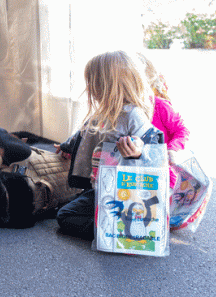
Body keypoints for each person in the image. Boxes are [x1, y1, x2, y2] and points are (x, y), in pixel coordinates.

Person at [56, 50, 156, 240]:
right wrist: (66, 146)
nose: (90, 89)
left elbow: (151, 144)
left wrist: (137, 152)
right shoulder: (102, 113)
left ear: (107, 85)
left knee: (65, 216)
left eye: (93, 83)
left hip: (121, 191)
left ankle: (113, 231)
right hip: (100, 186)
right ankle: (113, 220)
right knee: (65, 205)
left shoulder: (132, 115)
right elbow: (84, 134)